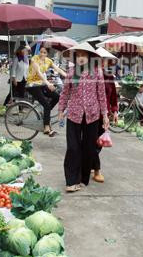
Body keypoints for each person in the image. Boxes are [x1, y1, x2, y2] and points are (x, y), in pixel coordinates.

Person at [58, 43, 109, 192]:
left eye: (83, 55)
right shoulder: (71, 72)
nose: (81, 58)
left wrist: (105, 115)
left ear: (89, 57)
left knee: (88, 149)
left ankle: (82, 179)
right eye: (78, 55)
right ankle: (71, 180)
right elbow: (65, 93)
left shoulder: (97, 72)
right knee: (73, 148)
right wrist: (61, 109)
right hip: (74, 114)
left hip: (92, 115)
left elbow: (101, 95)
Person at [26, 46, 66, 136]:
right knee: (47, 105)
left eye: (44, 52)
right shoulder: (34, 59)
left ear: (47, 54)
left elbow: (58, 69)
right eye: (41, 52)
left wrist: (68, 76)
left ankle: (46, 114)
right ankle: (46, 127)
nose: (42, 54)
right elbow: (39, 73)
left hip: (41, 84)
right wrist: (48, 83)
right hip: (32, 84)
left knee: (57, 97)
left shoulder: (48, 61)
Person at [92, 47, 118, 183]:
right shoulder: (89, 75)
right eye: (100, 60)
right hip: (90, 114)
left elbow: (113, 95)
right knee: (91, 142)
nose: (103, 63)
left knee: (99, 143)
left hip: (104, 115)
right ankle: (96, 170)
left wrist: (115, 111)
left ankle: (92, 163)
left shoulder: (109, 77)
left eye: (105, 61)